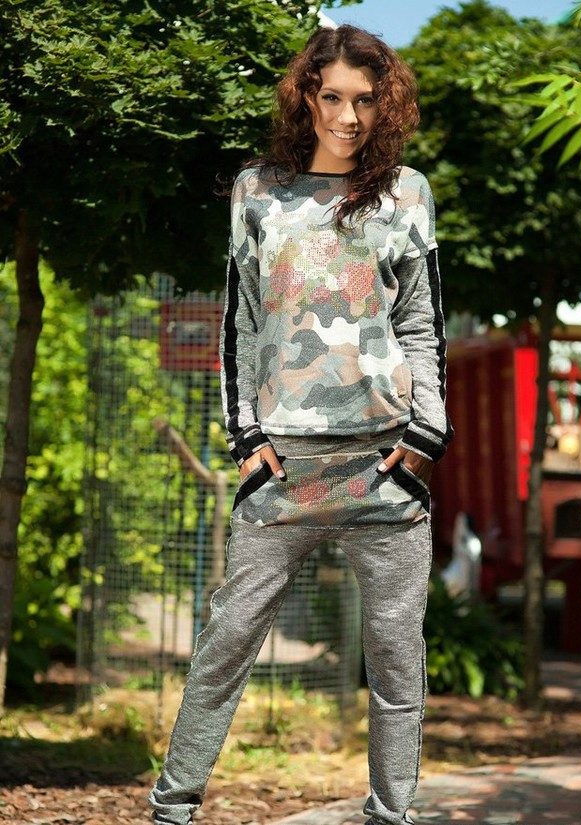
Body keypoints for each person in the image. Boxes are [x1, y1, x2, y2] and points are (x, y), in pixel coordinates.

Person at [148, 22, 453, 825]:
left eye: (365, 100)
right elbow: (240, 323)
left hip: (385, 469)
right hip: (283, 470)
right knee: (226, 643)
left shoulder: (406, 193)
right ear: (306, 98)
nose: (348, 117)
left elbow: (422, 323)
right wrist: (246, 439)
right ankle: (171, 809)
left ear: (384, 105)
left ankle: (391, 815)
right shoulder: (258, 191)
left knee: (396, 660)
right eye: (332, 97)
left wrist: (423, 442)